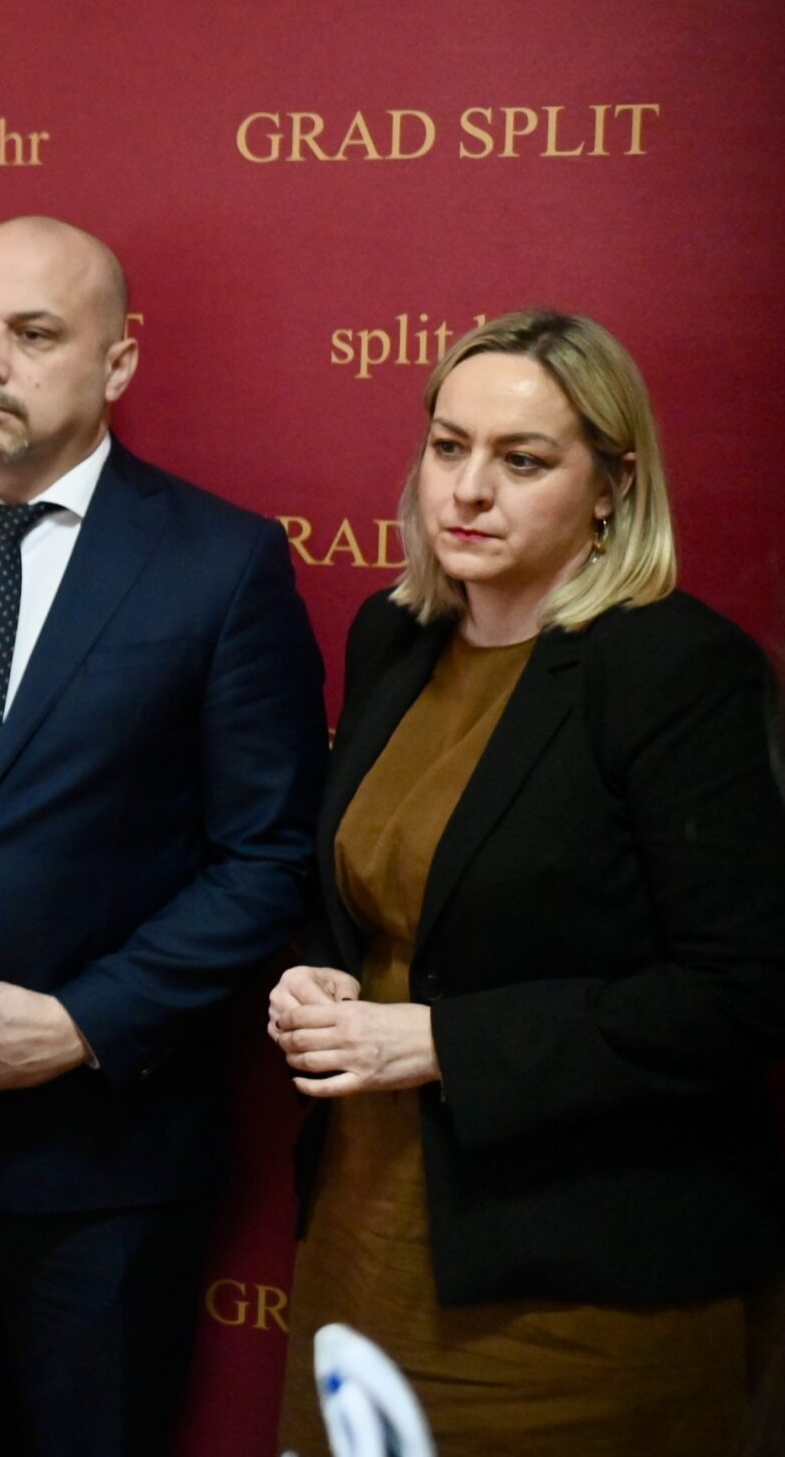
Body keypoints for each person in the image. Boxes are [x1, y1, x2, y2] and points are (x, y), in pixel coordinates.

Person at [0, 216, 327, 1457]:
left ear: (117, 361)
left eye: (32, 334)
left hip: (106, 1169)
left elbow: (266, 857)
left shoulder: (221, 562)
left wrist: (80, 1023)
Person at [268, 309, 785, 1456]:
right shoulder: (392, 634)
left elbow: (740, 992)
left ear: (613, 485)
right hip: (362, 1222)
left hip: (579, 1275)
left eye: (522, 459)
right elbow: (380, 889)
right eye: (447, 446)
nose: (467, 489)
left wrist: (445, 1041)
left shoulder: (676, 669)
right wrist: (317, 971)